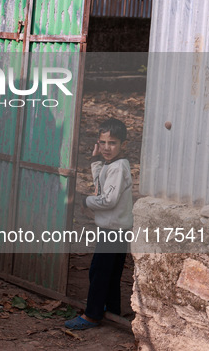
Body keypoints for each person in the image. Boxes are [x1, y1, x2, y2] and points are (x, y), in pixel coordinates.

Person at [65, 118, 133, 330]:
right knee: (110, 273)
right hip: (117, 228)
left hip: (114, 230)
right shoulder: (110, 165)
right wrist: (95, 162)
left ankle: (92, 315)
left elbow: (107, 200)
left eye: (112, 143)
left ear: (123, 144)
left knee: (99, 271)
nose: (106, 147)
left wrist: (86, 201)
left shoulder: (118, 168)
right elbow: (102, 187)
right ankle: (112, 311)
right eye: (102, 142)